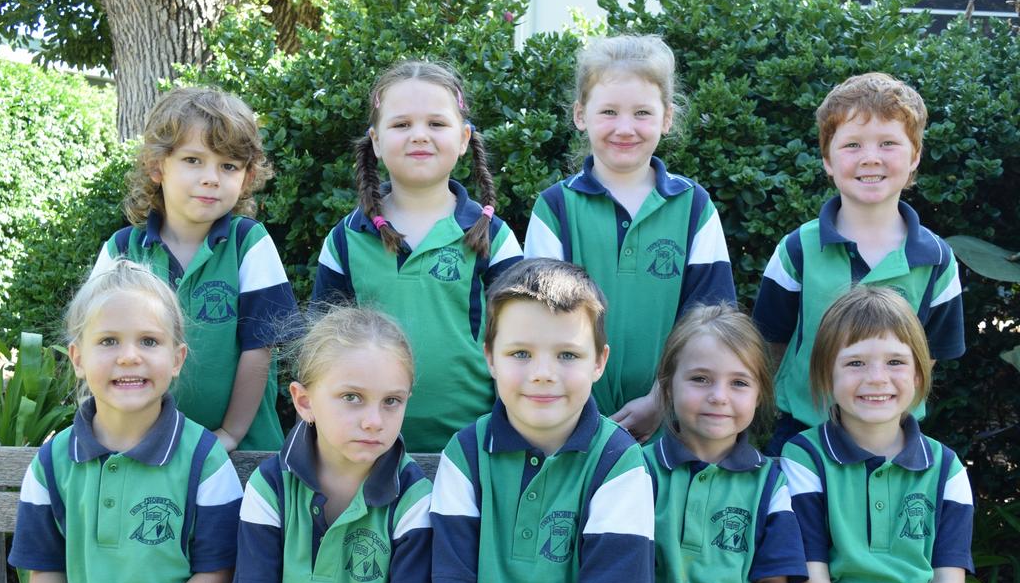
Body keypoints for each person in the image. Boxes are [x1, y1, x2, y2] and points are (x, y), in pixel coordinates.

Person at [400, 258, 655, 583]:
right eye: (521, 353)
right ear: (489, 356)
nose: (543, 375)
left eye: (567, 355)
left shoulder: (618, 462)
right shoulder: (466, 454)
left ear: (599, 361)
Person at [0, 259, 242, 583]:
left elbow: (216, 575)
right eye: (108, 342)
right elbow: (43, 566)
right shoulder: (54, 460)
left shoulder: (202, 458)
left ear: (177, 358)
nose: (129, 357)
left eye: (148, 342)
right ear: (77, 357)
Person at [778, 287, 1017, 583]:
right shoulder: (803, 457)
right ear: (826, 373)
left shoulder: (946, 469)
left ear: (920, 372)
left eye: (894, 362)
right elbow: (811, 581)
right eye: (855, 363)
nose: (876, 379)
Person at [205, 305, 433, 583]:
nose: (374, 420)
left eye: (392, 401)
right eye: (352, 397)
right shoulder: (271, 486)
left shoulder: (411, 496)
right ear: (304, 401)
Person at [525, 34, 735, 443]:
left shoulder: (694, 208)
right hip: (570, 428)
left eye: (642, 112)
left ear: (667, 118)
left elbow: (710, 322)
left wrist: (662, 398)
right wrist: (579, 411)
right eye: (609, 112)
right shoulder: (555, 209)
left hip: (673, 428)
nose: (625, 128)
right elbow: (540, 326)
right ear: (580, 115)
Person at [623, 304, 806, 583]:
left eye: (739, 383)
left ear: (761, 394)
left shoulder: (771, 483)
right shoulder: (635, 474)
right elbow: (627, 580)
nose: (719, 396)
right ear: (666, 387)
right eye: (700, 379)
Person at [312, 61, 522, 453]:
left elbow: (520, 343)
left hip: (473, 448)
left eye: (436, 124)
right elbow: (322, 350)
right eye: (401, 124)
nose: (419, 136)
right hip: (365, 444)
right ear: (375, 140)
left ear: (463, 138)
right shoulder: (345, 240)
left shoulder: (495, 238)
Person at [753, 72, 965, 455]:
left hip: (892, 438)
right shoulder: (797, 250)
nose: (871, 158)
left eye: (888, 143)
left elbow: (927, 356)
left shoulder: (936, 261)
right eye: (852, 145)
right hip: (802, 435)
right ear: (827, 161)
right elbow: (772, 346)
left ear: (915, 155)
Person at [92, 86, 300, 452]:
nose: (211, 178)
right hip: (144, 449)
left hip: (241, 452)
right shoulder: (122, 250)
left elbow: (260, 349)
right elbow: (97, 345)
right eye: (193, 160)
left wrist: (231, 433)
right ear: (158, 166)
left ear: (247, 178)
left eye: (228, 166)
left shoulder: (249, 244)